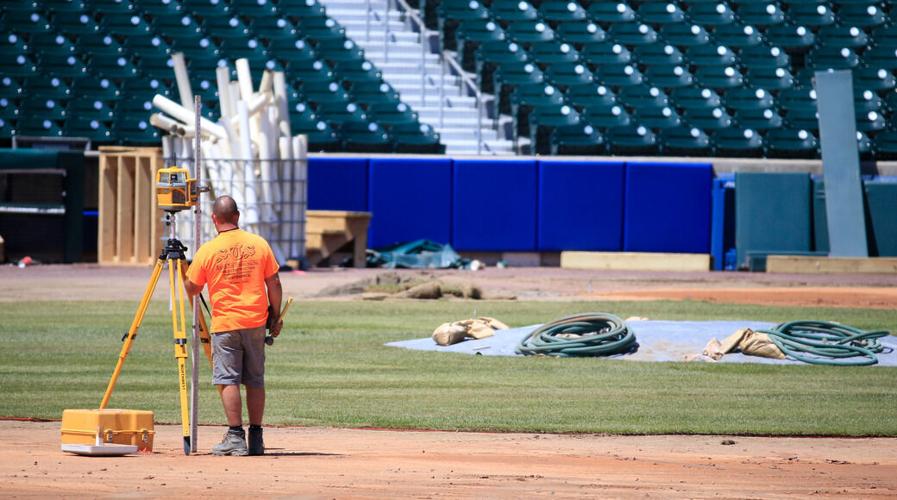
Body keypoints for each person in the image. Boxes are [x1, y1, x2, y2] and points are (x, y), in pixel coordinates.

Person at [185, 195, 283, 456]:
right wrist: (275, 316)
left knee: (227, 379)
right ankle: (257, 437)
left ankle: (235, 436)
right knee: (255, 380)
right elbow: (274, 282)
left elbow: (192, 289)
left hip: (226, 322)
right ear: (237, 216)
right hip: (255, 321)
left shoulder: (207, 250)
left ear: (214, 219)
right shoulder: (258, 244)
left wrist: (185, 273)